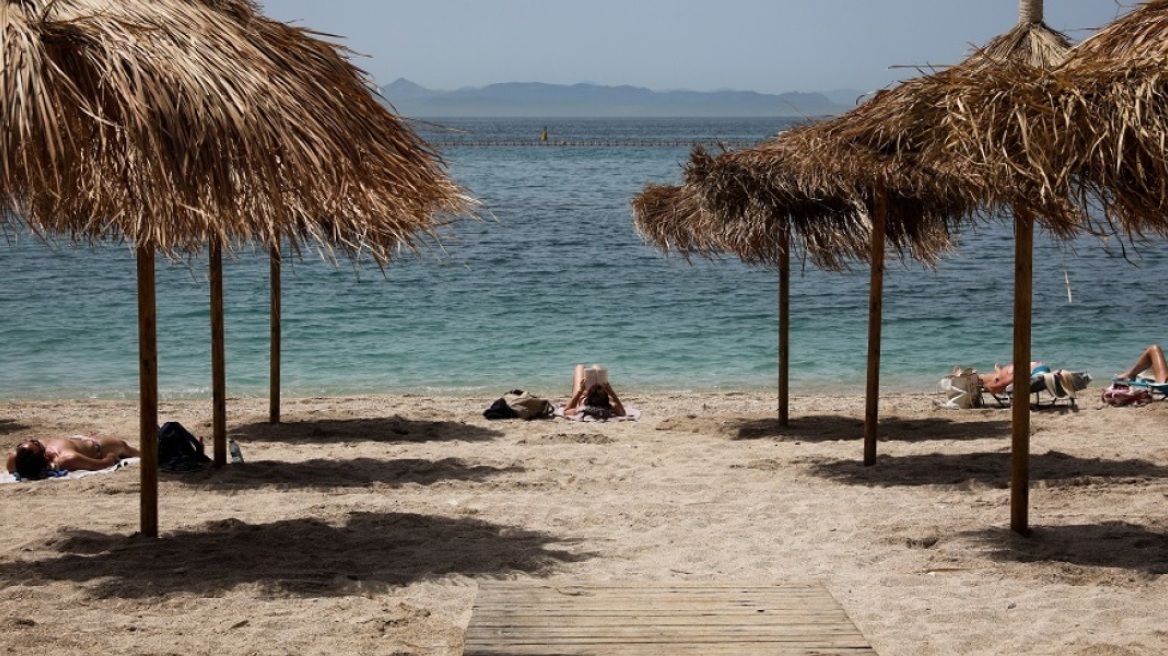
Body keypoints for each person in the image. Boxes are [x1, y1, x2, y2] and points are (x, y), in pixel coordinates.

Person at [6, 435, 140, 480]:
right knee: (124, 447)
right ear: (44, 456)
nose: (37, 441)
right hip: (97, 447)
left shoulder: (16, 459)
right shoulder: (67, 459)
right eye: (36, 444)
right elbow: (102, 464)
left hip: (75, 442)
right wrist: (111, 457)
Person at [978, 361, 1047, 394]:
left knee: (991, 379)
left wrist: (986, 387)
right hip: (1039, 367)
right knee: (995, 376)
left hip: (1035, 370)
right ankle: (997, 372)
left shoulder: (1005, 380)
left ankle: (982, 378)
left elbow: (996, 387)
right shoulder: (1006, 377)